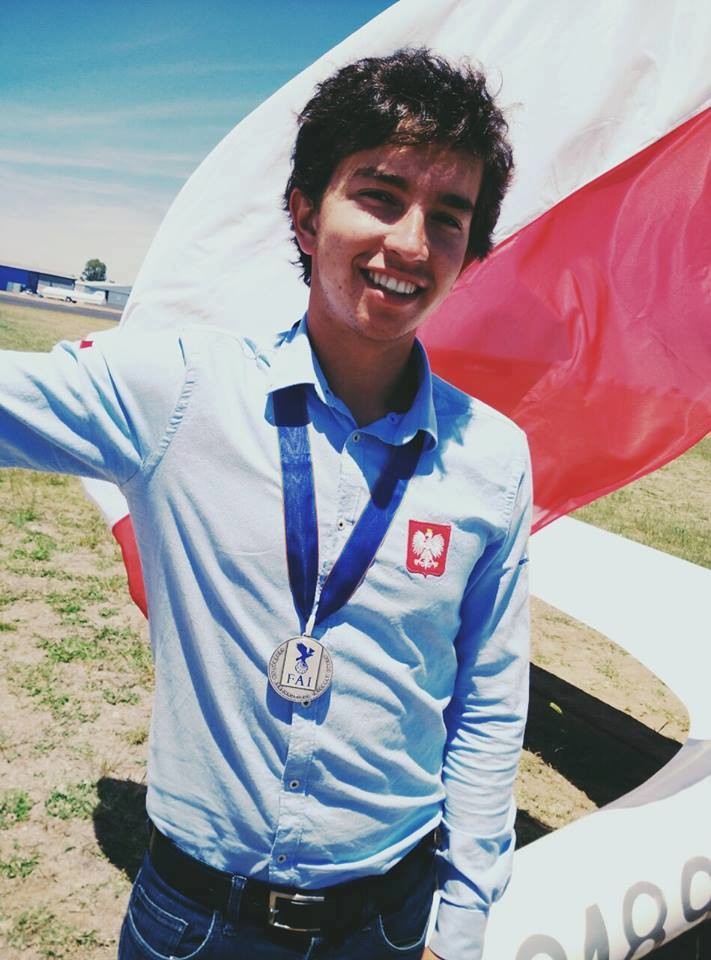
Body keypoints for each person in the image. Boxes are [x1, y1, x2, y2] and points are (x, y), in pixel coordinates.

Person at [0, 49, 531, 960]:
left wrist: (463, 921)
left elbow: (486, 700)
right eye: (379, 195)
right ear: (305, 213)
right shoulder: (180, 392)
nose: (411, 243)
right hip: (196, 920)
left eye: (447, 217)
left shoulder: (492, 456)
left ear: (468, 251)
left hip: (389, 923)